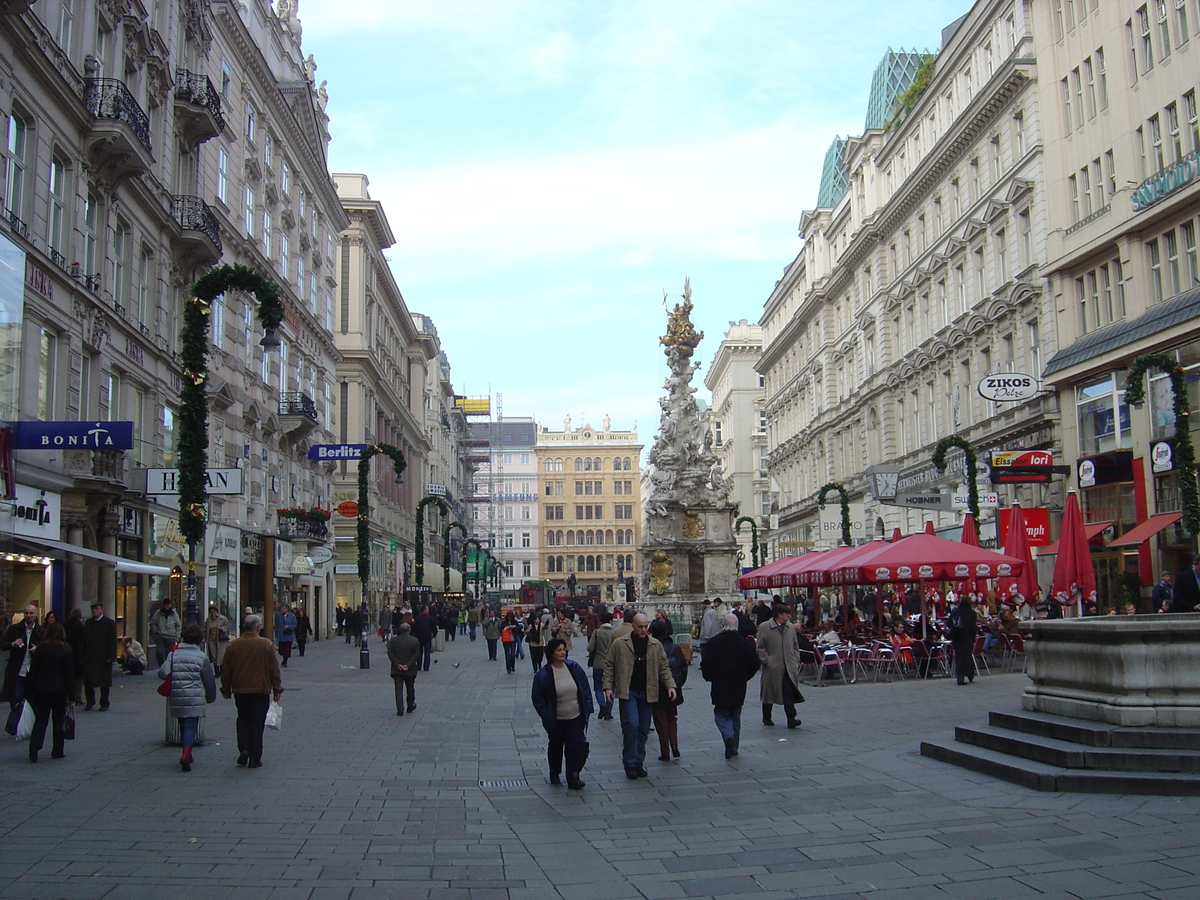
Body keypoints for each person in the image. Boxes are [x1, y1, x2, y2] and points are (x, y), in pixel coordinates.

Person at [603, 614, 677, 779]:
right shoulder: (620, 644)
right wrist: (608, 687)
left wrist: (670, 685)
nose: (643, 630)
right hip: (628, 691)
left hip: (648, 691)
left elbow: (664, 667)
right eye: (640, 627)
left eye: (645, 626)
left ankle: (638, 762)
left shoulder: (655, 645)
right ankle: (629, 762)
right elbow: (609, 665)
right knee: (632, 725)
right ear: (633, 626)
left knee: (643, 729)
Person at [219, 614, 283, 768]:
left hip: (240, 689)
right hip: (260, 689)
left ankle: (244, 748)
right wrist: (277, 688)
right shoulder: (266, 644)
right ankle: (255, 757)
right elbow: (273, 669)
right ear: (258, 627)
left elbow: (226, 669)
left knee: (243, 719)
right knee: (256, 722)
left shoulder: (233, 645)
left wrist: (226, 688)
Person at [531, 638, 593, 790]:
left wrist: (588, 708)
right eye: (559, 650)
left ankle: (573, 775)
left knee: (575, 745)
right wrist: (546, 716)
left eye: (564, 649)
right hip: (556, 718)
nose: (563, 652)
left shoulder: (574, 668)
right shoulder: (544, 674)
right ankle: (554, 771)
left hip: (575, 716)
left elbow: (584, 689)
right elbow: (538, 698)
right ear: (552, 653)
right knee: (556, 746)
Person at [701, 614, 761, 758]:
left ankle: (728, 736)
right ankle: (733, 747)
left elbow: (706, 663)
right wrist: (745, 676)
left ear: (723, 625)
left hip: (720, 682)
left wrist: (709, 677)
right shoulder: (744, 643)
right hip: (738, 683)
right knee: (735, 715)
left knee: (721, 713)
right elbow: (755, 663)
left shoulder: (714, 643)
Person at [158, 624, 217, 772]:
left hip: (177, 696)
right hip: (194, 697)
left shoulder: (173, 655)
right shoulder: (201, 657)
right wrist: (210, 696)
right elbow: (209, 680)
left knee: (182, 723)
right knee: (191, 726)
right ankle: (186, 753)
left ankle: (187, 753)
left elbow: (162, 673)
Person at [25, 623, 74, 763]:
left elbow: (33, 672)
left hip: (41, 690)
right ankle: (58, 750)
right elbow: (69, 675)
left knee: (41, 720)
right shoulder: (65, 651)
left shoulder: (40, 650)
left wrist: (26, 693)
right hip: (59, 691)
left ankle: (35, 745)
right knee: (58, 720)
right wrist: (71, 696)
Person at [755, 603, 804, 728]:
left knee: (788, 691)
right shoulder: (765, 627)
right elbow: (760, 647)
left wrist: (795, 660)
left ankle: (791, 718)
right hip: (773, 666)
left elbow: (795, 645)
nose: (788, 615)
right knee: (769, 692)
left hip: (788, 665)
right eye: (786, 613)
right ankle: (767, 717)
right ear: (779, 615)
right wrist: (767, 661)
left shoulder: (790, 627)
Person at [2, 605, 45, 734]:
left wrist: (38, 650)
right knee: (16, 699)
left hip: (33, 671)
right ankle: (13, 725)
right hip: (18, 670)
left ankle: (29, 725)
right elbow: (3, 644)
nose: (28, 616)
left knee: (32, 700)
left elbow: (47, 649)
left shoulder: (41, 631)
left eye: (31, 613)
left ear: (36, 614)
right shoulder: (15, 629)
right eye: (26, 613)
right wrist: (13, 644)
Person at [649, 619, 687, 762]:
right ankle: (675, 745)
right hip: (673, 688)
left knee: (660, 722)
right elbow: (683, 668)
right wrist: (678, 685)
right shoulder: (674, 647)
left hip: (657, 689)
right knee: (672, 718)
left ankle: (665, 752)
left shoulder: (651, 647)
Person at [81, 601, 117, 711]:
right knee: (88, 681)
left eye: (97, 608)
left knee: (104, 681)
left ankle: (104, 702)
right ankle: (90, 701)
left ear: (102, 610)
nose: (95, 611)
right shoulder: (89, 623)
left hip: (103, 657)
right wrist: (83, 655)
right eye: (93, 609)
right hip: (90, 656)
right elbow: (84, 640)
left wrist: (111, 656)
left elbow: (112, 641)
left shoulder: (109, 623)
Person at [386, 622, 421, 715]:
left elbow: (390, 654)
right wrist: (408, 665)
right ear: (408, 631)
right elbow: (416, 655)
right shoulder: (414, 641)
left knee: (398, 689)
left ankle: (400, 709)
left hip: (396, 669)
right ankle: (410, 705)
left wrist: (398, 664)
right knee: (410, 688)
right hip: (410, 670)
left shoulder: (393, 641)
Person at [586, 612, 615, 720]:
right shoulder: (614, 633)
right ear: (611, 621)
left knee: (598, 687)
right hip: (611, 665)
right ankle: (608, 712)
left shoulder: (597, 632)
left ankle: (602, 704)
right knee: (611, 688)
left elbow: (589, 648)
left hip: (598, 664)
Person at [948, 593, 978, 685]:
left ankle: (961, 675)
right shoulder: (972, 614)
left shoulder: (955, 612)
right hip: (967, 637)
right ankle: (968, 674)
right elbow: (973, 627)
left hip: (956, 636)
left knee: (959, 655)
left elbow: (949, 623)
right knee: (967, 655)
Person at [148, 598, 182, 667]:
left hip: (171, 637)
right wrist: (155, 631)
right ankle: (162, 666)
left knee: (168, 654)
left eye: (168, 605)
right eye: (166, 605)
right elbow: (153, 622)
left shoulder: (174, 614)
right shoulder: (158, 613)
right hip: (161, 636)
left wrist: (177, 637)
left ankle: (167, 667)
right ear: (163, 605)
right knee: (159, 652)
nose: (167, 606)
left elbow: (178, 625)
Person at [204, 606, 231, 674]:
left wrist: (223, 628)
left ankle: (222, 671)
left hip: (220, 640)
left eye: (214, 612)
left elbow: (228, 626)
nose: (213, 613)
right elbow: (205, 629)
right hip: (211, 640)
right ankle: (216, 672)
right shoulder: (208, 620)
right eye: (211, 612)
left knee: (220, 656)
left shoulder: (223, 619)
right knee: (214, 656)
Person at [412, 605, 438, 671]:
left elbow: (414, 627)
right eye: (427, 609)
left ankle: (418, 666)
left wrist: (415, 635)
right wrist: (434, 634)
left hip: (419, 637)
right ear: (425, 610)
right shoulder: (430, 618)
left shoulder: (417, 618)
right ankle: (426, 667)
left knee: (419, 652)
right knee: (427, 652)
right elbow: (434, 628)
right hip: (427, 636)